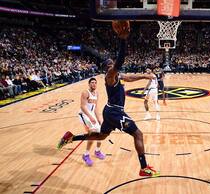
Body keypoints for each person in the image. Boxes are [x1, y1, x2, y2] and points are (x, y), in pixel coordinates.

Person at [57, 21, 159, 177]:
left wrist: (145, 75)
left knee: (101, 136)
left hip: (110, 112)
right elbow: (120, 62)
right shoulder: (110, 76)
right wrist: (123, 40)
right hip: (114, 112)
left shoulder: (117, 76)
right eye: (112, 64)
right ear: (108, 68)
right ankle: (143, 168)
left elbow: (129, 77)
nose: (114, 66)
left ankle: (71, 137)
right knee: (138, 134)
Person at [78, 77, 105, 166]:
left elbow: (96, 108)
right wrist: (90, 117)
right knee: (93, 134)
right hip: (84, 114)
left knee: (101, 132)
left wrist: (99, 119)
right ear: (89, 84)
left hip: (92, 115)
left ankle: (97, 151)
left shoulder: (96, 93)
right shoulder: (85, 92)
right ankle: (86, 155)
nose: (94, 84)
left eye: (95, 83)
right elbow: (83, 106)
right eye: (92, 82)